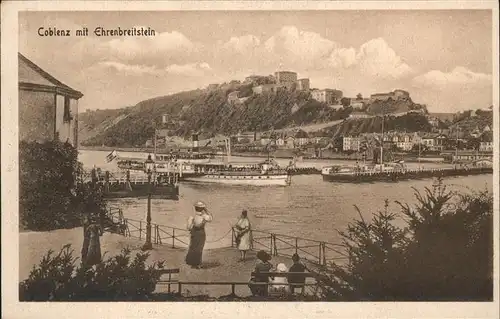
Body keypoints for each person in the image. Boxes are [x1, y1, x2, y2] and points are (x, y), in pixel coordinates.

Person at [185, 201, 213, 269]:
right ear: (202, 208)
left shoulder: (192, 216)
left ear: (195, 208)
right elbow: (211, 218)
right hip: (201, 233)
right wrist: (206, 210)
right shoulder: (205, 216)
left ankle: (192, 263)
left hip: (194, 233)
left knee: (193, 247)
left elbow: (188, 227)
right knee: (199, 248)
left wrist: (193, 227)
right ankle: (198, 264)